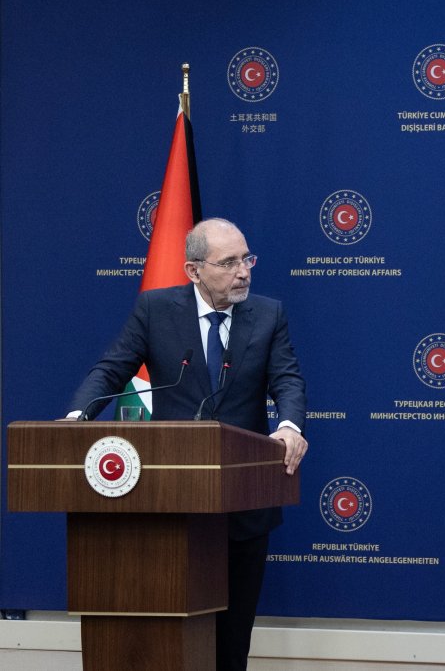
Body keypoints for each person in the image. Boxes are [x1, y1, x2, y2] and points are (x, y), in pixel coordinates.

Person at [67, 217, 308, 671]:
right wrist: (76, 417)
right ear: (193, 270)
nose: (244, 272)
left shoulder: (269, 314)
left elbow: (287, 379)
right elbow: (111, 369)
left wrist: (291, 425)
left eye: (247, 259)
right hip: (171, 504)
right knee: (173, 641)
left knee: (232, 643)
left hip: (243, 502)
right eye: (229, 262)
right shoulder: (155, 309)